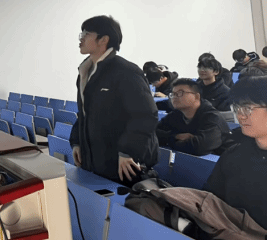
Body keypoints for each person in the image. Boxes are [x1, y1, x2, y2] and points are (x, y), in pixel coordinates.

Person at [69, 16, 159, 185]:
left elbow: (146, 115)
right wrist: (77, 142)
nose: (81, 38)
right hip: (95, 160)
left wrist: (127, 151)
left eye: (86, 34)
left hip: (122, 164)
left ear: (103, 39)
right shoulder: (85, 72)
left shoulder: (126, 71)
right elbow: (84, 114)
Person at [203, 76, 267, 240]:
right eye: (237, 108)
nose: (240, 116)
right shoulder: (233, 156)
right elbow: (211, 200)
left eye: (247, 108)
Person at [156, 79, 233, 156]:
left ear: (196, 96)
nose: (174, 97)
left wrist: (168, 141)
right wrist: (175, 136)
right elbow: (153, 133)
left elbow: (199, 148)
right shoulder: (176, 114)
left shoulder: (212, 118)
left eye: (180, 93)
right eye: (173, 94)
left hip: (219, 161)